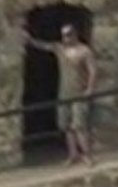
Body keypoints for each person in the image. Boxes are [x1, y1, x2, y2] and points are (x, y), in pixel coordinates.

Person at [23, 23, 98, 166]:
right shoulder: (60, 49)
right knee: (66, 126)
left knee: (79, 125)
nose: (66, 38)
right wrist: (30, 40)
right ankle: (73, 154)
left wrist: (90, 89)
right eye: (64, 35)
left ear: (75, 34)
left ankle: (87, 155)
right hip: (64, 92)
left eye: (69, 34)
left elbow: (92, 70)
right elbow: (44, 46)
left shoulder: (84, 51)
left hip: (79, 92)